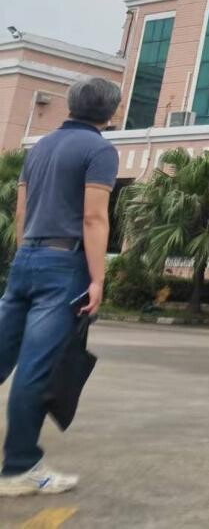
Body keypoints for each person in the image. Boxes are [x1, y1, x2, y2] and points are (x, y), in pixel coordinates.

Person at [0, 76, 120, 497]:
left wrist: (26, 256)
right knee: (37, 368)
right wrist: (97, 278)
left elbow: (21, 211)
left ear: (70, 104)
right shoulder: (99, 150)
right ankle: (18, 468)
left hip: (26, 257)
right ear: (111, 112)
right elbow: (93, 217)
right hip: (64, 264)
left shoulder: (41, 147)